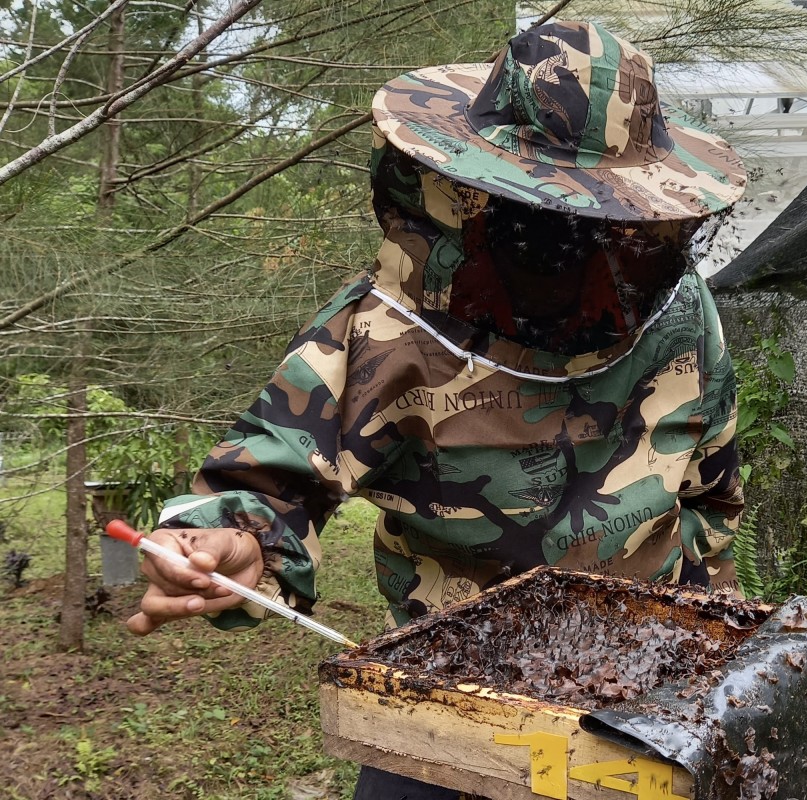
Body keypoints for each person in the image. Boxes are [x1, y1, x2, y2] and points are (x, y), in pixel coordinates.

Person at [126, 20, 748, 800]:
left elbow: (711, 491)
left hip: (646, 699)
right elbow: (275, 478)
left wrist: (703, 646)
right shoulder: (385, 328)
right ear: (469, 200)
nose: (583, 253)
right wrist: (234, 541)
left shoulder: (684, 315)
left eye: (616, 230)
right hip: (450, 696)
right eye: (547, 229)